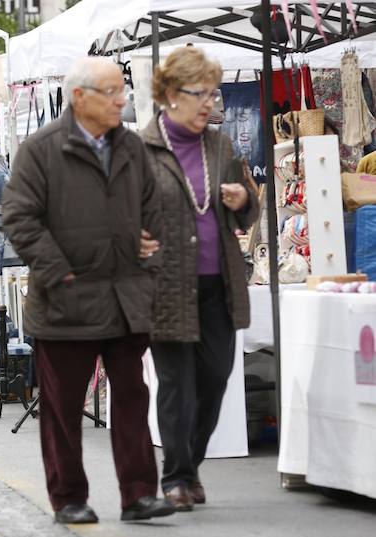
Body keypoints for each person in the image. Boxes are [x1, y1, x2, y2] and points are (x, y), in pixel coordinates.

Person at [3, 57, 175, 524]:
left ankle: (139, 495)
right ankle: (69, 497)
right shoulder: (41, 149)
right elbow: (19, 217)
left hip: (124, 298)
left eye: (124, 90)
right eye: (113, 92)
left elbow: (154, 209)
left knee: (132, 398)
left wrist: (150, 261)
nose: (124, 99)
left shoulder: (132, 148)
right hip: (66, 299)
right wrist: (60, 273)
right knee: (62, 408)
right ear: (80, 97)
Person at [141, 47, 258, 511]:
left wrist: (241, 199)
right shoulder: (141, 148)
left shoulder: (221, 145)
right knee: (177, 386)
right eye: (199, 93)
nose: (209, 103)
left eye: (213, 93)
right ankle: (176, 477)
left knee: (215, 379)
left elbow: (249, 208)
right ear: (170, 95)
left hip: (219, 284)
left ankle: (190, 464)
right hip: (165, 285)